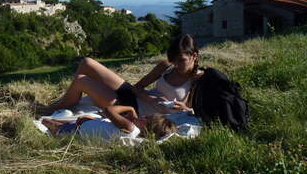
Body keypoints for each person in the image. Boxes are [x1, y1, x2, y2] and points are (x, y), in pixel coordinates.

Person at [47, 34, 204, 117]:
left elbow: (199, 111)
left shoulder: (198, 79)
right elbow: (137, 88)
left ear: (194, 56)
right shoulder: (165, 66)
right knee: (87, 62)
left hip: (132, 109)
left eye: (181, 60)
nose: (176, 64)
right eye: (173, 60)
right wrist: (150, 98)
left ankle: (50, 109)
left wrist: (185, 108)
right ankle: (61, 103)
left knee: (82, 81)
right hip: (135, 97)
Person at [41, 104, 178, 140]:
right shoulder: (133, 133)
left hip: (76, 132)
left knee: (47, 122)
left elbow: (108, 110)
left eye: (146, 118)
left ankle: (42, 120)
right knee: (58, 120)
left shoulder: (130, 127)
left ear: (146, 125)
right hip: (83, 126)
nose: (143, 116)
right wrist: (90, 120)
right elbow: (106, 126)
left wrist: (130, 108)